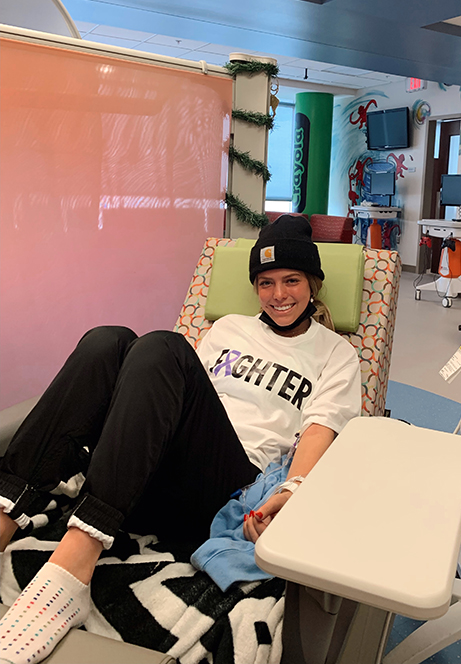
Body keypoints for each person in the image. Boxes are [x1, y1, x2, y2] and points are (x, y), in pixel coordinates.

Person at [0, 215, 361, 664]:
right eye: (265, 283)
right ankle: (4, 515)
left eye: (292, 280)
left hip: (226, 489)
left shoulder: (336, 354)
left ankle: (76, 559)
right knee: (107, 341)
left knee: (162, 347)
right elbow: (175, 393)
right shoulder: (228, 328)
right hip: (140, 479)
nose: (279, 295)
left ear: (313, 283)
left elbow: (320, 429)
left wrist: (291, 489)